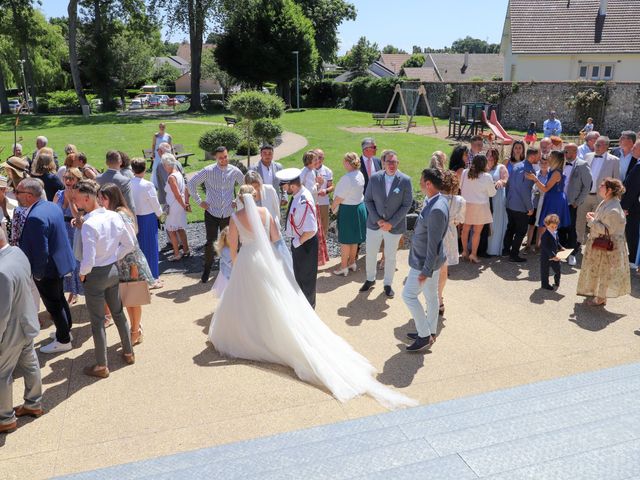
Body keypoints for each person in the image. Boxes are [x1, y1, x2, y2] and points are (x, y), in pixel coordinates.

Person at [207, 188, 416, 409]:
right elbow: (276, 241)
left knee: (247, 301)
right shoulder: (266, 214)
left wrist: (238, 264)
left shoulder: (235, 218)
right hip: (267, 261)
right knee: (271, 301)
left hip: (249, 260)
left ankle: (254, 334)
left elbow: (232, 248)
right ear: (255, 196)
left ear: (239, 199)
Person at [74, 180, 136, 378]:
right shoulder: (114, 216)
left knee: (98, 321)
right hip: (113, 270)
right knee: (118, 313)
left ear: (87, 198)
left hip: (95, 275)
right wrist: (114, 257)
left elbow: (89, 257)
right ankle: (128, 352)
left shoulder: (89, 224)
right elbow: (129, 243)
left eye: (77, 199)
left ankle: (101, 365)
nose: (75, 203)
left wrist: (83, 273)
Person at [17, 178, 75, 353]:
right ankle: (65, 331)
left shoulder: (35, 217)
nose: (16, 194)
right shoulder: (50, 206)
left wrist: (38, 274)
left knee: (53, 305)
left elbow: (41, 251)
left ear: (28, 196)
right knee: (60, 299)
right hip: (59, 263)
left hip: (48, 270)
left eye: (18, 192)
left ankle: (64, 340)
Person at [98, 183, 154, 346]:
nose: (101, 201)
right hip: (125, 263)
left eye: (103, 198)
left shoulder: (120, 214)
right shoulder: (118, 212)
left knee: (132, 299)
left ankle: (135, 331)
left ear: (112, 198)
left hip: (130, 264)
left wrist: (116, 257)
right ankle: (136, 327)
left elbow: (131, 242)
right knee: (128, 298)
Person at [0, 228, 43, 434]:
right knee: (30, 362)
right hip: (27, 319)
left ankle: (5, 418)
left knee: (2, 374)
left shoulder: (1, 271)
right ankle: (34, 404)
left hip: (10, 331)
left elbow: (2, 313)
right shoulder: (18, 253)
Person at [402, 168, 449, 352]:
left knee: (408, 296)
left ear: (428, 184)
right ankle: (430, 331)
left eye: (422, 180)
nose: (420, 183)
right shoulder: (437, 200)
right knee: (431, 297)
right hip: (431, 262)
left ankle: (424, 335)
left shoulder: (436, 208)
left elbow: (433, 244)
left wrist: (425, 271)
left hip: (424, 263)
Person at [187, 146, 244, 283]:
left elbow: (244, 185)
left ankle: (231, 270)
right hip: (212, 213)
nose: (224, 160)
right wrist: (199, 201)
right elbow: (191, 183)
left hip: (229, 214)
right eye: (220, 158)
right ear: (215, 158)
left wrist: (237, 200)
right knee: (210, 242)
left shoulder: (235, 171)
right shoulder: (208, 171)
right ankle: (207, 269)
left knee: (231, 242)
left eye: (225, 156)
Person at [361, 150, 413, 298]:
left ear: (398, 163)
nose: (391, 165)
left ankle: (388, 284)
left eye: (394, 162)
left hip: (394, 227)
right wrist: (378, 219)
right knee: (370, 253)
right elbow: (368, 200)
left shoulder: (405, 180)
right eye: (388, 162)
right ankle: (370, 279)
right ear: (383, 163)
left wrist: (391, 223)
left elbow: (407, 204)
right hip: (374, 224)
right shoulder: (374, 178)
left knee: (390, 256)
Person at [577, 178, 630, 305]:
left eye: (602, 185)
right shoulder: (607, 201)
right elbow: (602, 220)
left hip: (606, 247)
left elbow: (608, 230)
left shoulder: (614, 209)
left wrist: (591, 221)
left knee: (604, 271)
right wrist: (594, 216)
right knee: (599, 270)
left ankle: (601, 298)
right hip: (600, 244)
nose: (599, 187)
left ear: (609, 190)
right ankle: (599, 295)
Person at [278, 168, 319, 308]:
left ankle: (309, 311)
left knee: (306, 280)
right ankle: (304, 309)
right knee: (300, 278)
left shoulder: (303, 200)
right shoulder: (298, 195)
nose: (284, 189)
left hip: (304, 244)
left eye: (285, 186)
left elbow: (311, 230)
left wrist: (297, 242)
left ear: (292, 185)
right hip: (300, 242)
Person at [577, 136, 620, 247]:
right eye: (596, 144)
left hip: (602, 198)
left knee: (598, 223)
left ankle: (594, 244)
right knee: (580, 220)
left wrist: (615, 200)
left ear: (606, 146)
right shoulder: (587, 156)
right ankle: (578, 243)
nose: (596, 147)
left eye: (599, 145)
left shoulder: (614, 160)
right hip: (585, 196)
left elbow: (616, 181)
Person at [331, 154, 366, 277]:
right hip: (359, 208)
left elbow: (339, 198)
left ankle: (343, 267)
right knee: (354, 239)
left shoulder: (347, 178)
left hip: (348, 210)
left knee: (345, 240)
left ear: (347, 162)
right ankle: (352, 262)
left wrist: (332, 207)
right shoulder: (360, 174)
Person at [503, 147, 540, 262]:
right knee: (520, 231)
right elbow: (525, 191)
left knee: (510, 228)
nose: (539, 158)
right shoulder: (529, 171)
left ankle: (505, 251)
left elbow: (508, 184)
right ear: (533, 156)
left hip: (510, 203)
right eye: (538, 156)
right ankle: (514, 255)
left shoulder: (516, 165)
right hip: (520, 207)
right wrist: (530, 207)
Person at [53, 167, 84, 305]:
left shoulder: (81, 195)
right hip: (61, 231)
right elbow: (53, 212)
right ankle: (70, 289)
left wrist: (71, 200)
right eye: (66, 178)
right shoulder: (58, 194)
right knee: (65, 262)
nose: (68, 181)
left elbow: (78, 216)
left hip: (75, 231)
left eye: (71, 178)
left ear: (78, 180)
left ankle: (76, 291)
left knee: (76, 262)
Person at [130, 158, 163, 285]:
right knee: (151, 248)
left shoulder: (129, 183)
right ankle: (153, 278)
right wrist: (160, 214)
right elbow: (154, 202)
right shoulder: (147, 185)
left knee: (140, 248)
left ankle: (142, 276)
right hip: (148, 218)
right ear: (144, 169)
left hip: (135, 218)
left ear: (133, 170)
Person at [529, 151, 571, 245]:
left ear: (555, 159)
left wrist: (535, 179)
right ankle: (548, 246)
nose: (548, 157)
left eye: (550, 156)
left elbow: (545, 188)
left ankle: (549, 247)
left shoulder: (556, 173)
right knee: (549, 224)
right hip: (553, 198)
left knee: (549, 224)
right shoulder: (554, 170)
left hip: (554, 200)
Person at [438, 170, 466, 315]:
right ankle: (439, 298)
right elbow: (460, 220)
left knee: (432, 268)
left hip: (435, 233)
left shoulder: (432, 198)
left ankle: (434, 298)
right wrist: (452, 221)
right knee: (443, 269)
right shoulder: (460, 201)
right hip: (449, 234)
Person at [460, 154, 496, 263]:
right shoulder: (487, 177)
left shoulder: (465, 172)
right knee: (476, 233)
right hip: (480, 207)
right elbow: (492, 193)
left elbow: (460, 186)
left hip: (466, 205)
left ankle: (465, 251)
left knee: (465, 230)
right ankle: (473, 254)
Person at [560, 143, 592, 266]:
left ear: (574, 152)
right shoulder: (562, 163)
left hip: (571, 203)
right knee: (561, 227)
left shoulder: (582, 165)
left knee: (571, 229)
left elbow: (587, 186)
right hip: (560, 201)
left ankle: (572, 254)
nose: (564, 153)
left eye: (566, 151)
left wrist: (577, 202)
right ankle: (562, 252)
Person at [300, 150, 329, 266]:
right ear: (309, 161)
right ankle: (314, 258)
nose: (318, 161)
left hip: (308, 204)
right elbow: (310, 189)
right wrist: (319, 184)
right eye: (315, 159)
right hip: (310, 205)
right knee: (313, 230)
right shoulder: (310, 172)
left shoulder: (306, 171)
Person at [163, 154, 191, 262]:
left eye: (164, 165)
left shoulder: (171, 177)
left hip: (174, 206)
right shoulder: (178, 173)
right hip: (179, 205)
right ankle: (186, 249)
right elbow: (184, 190)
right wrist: (185, 204)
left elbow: (177, 194)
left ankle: (176, 254)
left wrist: (184, 205)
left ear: (167, 165)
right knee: (180, 228)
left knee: (171, 230)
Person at [487, 148, 509, 256]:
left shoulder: (501, 167)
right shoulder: (484, 168)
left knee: (496, 222)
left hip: (498, 198)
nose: (490, 158)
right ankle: (485, 248)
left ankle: (495, 249)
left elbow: (505, 180)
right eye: (489, 155)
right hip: (486, 199)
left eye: (493, 155)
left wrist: (500, 181)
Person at [621, 140, 640, 264]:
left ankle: (634, 258)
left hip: (634, 207)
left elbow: (632, 188)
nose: (632, 148)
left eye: (635, 147)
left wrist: (624, 207)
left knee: (633, 232)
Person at [539, 214, 562, 291]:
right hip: (546, 256)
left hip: (555, 256)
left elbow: (557, 242)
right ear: (546, 225)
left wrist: (561, 247)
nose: (554, 228)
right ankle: (545, 284)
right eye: (552, 227)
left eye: (556, 227)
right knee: (545, 271)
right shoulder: (545, 235)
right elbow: (545, 247)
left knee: (558, 269)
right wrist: (552, 256)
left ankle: (557, 280)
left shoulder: (555, 233)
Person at [314, 148, 334, 238]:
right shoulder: (307, 170)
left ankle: (323, 248)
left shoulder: (327, 171)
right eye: (317, 157)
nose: (318, 159)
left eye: (321, 157)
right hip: (311, 202)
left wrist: (325, 191)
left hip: (323, 202)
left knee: (323, 226)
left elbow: (331, 186)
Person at [211, 226, 232, 298]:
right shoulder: (225, 250)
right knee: (227, 294)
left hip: (230, 274)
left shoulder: (232, 247)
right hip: (226, 276)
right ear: (224, 238)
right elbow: (230, 263)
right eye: (229, 237)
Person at [151, 123, 172, 192]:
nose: (161, 128)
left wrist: (173, 154)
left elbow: (170, 146)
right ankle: (155, 184)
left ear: (165, 127)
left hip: (166, 154)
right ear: (159, 127)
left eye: (163, 127)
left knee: (165, 168)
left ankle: (165, 182)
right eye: (160, 127)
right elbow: (153, 145)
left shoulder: (168, 136)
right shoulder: (156, 135)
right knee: (155, 168)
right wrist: (153, 153)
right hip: (157, 154)